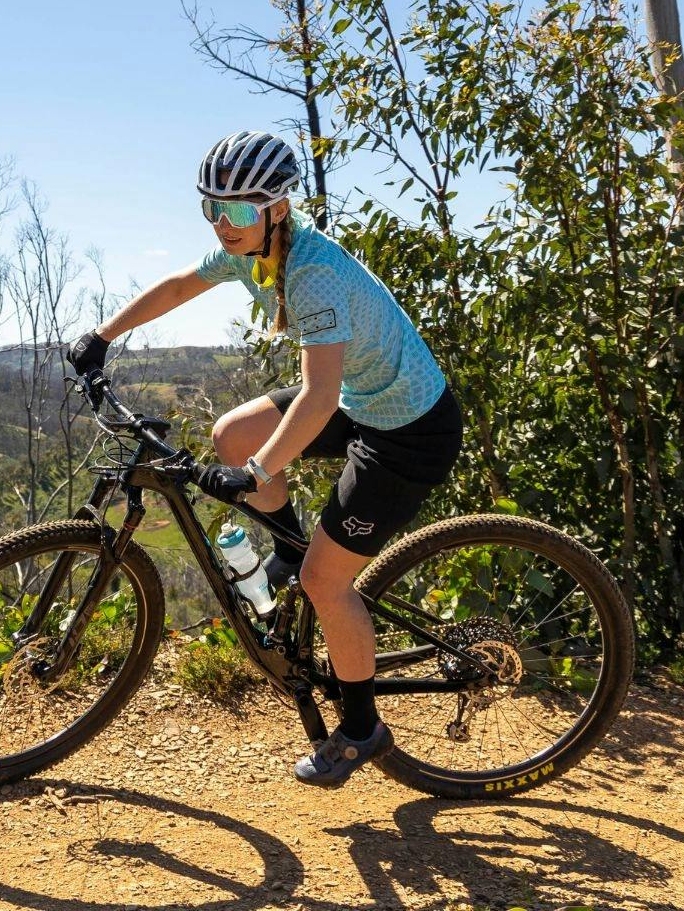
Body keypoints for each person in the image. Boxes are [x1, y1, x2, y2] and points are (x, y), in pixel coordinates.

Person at [64, 129, 462, 788]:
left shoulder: (312, 276)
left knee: (324, 582)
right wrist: (102, 336)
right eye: (210, 209)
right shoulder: (252, 251)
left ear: (278, 208)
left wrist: (258, 476)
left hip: (409, 431)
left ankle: (362, 728)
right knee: (232, 434)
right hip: (364, 402)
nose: (224, 225)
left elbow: (317, 396)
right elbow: (177, 286)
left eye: (240, 211)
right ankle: (289, 549)